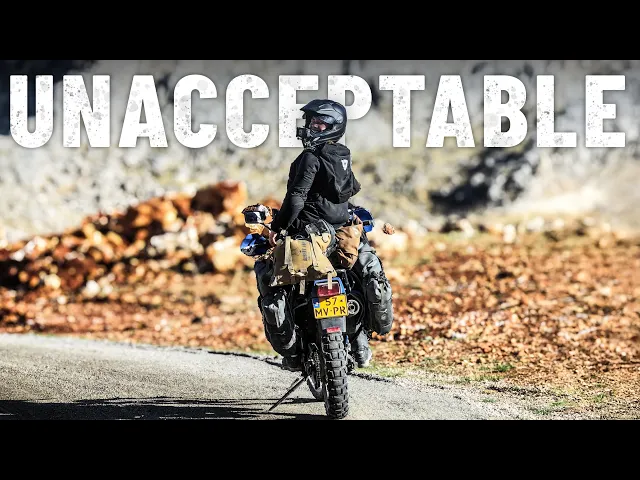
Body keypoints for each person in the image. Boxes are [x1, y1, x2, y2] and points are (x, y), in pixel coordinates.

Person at [253, 99, 394, 372]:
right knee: (358, 277)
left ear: (333, 127)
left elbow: (296, 198)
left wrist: (278, 228)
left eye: (318, 123)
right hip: (342, 233)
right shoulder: (342, 156)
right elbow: (349, 190)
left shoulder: (310, 157)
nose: (311, 127)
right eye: (311, 122)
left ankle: (292, 353)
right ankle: (360, 343)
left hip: (310, 235)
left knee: (269, 275)